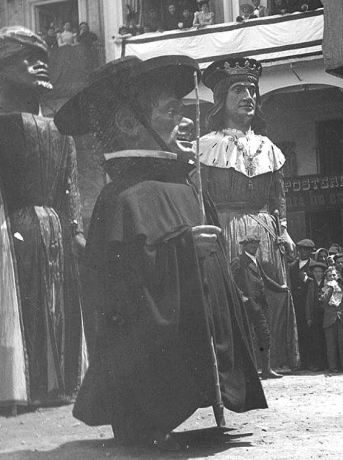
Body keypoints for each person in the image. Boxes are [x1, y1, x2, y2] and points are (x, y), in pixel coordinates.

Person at [54, 54, 267, 450]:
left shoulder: (184, 184)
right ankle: (145, 414)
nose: (183, 121)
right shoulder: (121, 198)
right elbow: (124, 288)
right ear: (129, 124)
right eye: (171, 111)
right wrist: (181, 250)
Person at [0, 27, 86, 412]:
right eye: (28, 57)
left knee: (57, 308)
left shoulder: (61, 130)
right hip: (4, 227)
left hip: (53, 231)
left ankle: (54, 386)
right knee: (6, 313)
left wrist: (75, 229)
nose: (41, 62)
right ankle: (6, 390)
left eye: (43, 54)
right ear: (0, 69)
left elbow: (70, 185)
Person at [198, 56, 300, 372]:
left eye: (252, 89)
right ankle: (241, 363)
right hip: (226, 228)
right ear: (221, 100)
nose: (248, 97)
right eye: (238, 90)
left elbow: (278, 196)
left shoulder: (269, 146)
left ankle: (271, 361)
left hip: (266, 230)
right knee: (237, 298)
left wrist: (283, 230)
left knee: (273, 298)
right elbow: (200, 198)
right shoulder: (205, 146)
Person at [230, 234, 289, 379]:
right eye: (251, 245)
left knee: (264, 335)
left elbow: (266, 279)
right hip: (247, 305)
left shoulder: (255, 261)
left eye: (256, 244)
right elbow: (231, 281)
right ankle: (246, 372)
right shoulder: (238, 261)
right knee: (246, 337)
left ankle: (266, 370)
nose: (254, 247)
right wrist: (242, 297)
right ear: (244, 246)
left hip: (259, 305)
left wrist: (281, 288)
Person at [288, 238, 315, 369]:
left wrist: (307, 279)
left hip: (308, 303)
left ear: (310, 251)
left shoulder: (314, 265)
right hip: (296, 303)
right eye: (302, 250)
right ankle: (301, 361)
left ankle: (311, 361)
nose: (304, 252)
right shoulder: (292, 266)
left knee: (310, 332)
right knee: (299, 332)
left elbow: (319, 282)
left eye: (307, 250)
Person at [320, 266, 343, 373]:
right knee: (331, 344)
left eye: (334, 275)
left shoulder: (342, 288)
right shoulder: (324, 289)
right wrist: (331, 288)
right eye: (329, 276)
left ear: (337, 276)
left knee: (342, 343)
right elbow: (324, 300)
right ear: (326, 278)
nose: (332, 277)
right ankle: (333, 366)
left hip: (340, 318)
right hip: (329, 319)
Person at [304, 261, 328, 370]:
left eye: (320, 272)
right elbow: (308, 301)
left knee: (326, 340)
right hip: (315, 316)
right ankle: (318, 364)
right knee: (316, 341)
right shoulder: (311, 284)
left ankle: (327, 363)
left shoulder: (327, 283)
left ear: (323, 273)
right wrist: (308, 317)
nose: (318, 274)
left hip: (326, 315)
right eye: (315, 272)